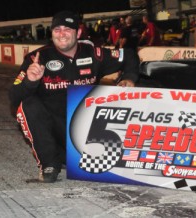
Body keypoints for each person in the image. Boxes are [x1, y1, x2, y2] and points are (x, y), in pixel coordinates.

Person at [9, 11, 140, 183]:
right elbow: (13, 96)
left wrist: (129, 77)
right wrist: (30, 81)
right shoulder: (36, 58)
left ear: (77, 33)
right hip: (53, 130)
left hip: (86, 128)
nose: (61, 34)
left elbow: (129, 55)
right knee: (28, 104)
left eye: (67, 29)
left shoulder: (94, 53)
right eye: (57, 30)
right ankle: (49, 164)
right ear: (52, 34)